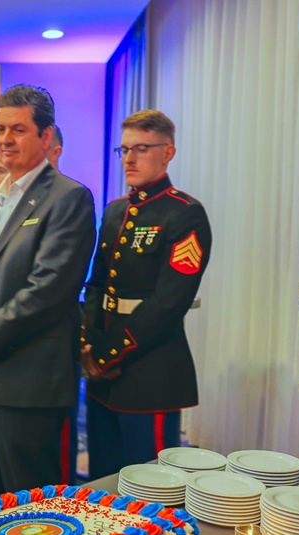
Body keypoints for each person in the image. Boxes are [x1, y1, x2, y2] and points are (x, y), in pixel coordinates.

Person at [0, 84, 96, 498]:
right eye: (0, 129)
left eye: (19, 130)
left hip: (29, 384)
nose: (6, 140)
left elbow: (48, 291)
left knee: (35, 511)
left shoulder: (69, 198)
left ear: (46, 137)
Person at [80, 110, 212, 477]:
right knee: (103, 480)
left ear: (167, 152)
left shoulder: (185, 214)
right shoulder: (114, 211)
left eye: (141, 148)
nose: (129, 159)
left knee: (151, 487)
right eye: (123, 150)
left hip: (149, 373)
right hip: (102, 377)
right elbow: (95, 286)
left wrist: (105, 355)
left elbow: (169, 303)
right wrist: (87, 345)